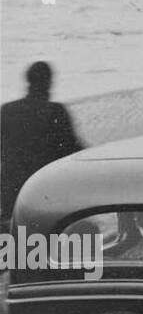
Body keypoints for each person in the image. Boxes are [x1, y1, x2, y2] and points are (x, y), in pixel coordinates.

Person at [1, 61, 83, 227]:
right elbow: (73, 151)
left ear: (28, 81)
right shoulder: (55, 111)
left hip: (9, 190)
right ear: (49, 82)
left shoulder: (8, 110)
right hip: (42, 189)